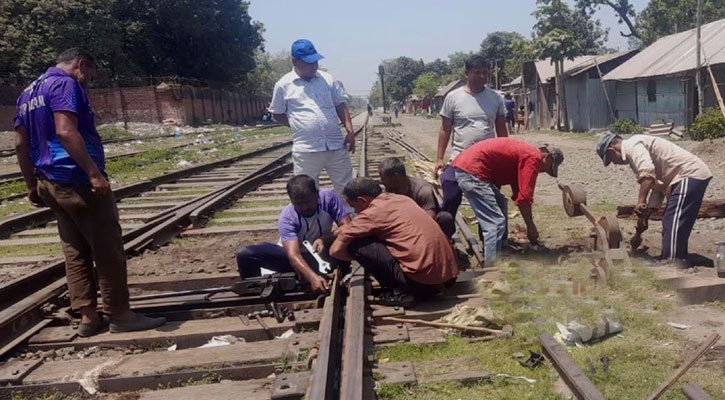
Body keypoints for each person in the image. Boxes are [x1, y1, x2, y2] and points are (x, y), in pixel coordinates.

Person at [13, 48, 166, 336]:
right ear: (81, 65)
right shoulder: (65, 83)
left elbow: (20, 144)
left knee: (75, 251)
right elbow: (65, 131)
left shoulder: (28, 91)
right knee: (107, 249)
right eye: (91, 76)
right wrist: (93, 174)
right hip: (76, 179)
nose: (90, 83)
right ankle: (120, 314)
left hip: (48, 181)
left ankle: (88, 316)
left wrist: (31, 185)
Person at [330, 178, 459, 305]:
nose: (356, 213)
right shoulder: (402, 199)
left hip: (422, 285)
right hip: (449, 277)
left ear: (362, 200)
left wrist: (359, 258)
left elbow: (335, 251)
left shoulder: (372, 213)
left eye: (354, 207)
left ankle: (401, 293)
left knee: (357, 244)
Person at [596, 133, 712, 263]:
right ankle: (675, 257)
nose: (615, 164)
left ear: (612, 150)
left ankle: (673, 262)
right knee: (674, 221)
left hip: (689, 173)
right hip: (686, 178)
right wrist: (645, 217)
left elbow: (647, 173)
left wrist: (641, 201)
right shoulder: (635, 152)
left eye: (611, 160)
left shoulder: (633, 145)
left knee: (672, 221)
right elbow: (657, 189)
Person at [452, 138, 564, 266]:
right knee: (495, 222)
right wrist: (531, 226)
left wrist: (529, 224)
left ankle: (502, 247)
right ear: (548, 158)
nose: (542, 172)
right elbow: (524, 199)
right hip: (473, 171)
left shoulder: (526, 153)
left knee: (501, 203)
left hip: (470, 167)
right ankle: (491, 267)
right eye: (547, 169)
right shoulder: (533, 158)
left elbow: (519, 193)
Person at [236, 175, 351, 293]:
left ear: (317, 194)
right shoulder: (287, 218)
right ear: (291, 200)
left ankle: (347, 273)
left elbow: (348, 227)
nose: (305, 207)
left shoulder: (328, 198)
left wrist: (324, 239)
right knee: (246, 254)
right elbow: (293, 255)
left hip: (323, 253)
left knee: (355, 237)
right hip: (298, 258)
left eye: (308, 201)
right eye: (299, 204)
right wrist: (312, 277)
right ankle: (254, 292)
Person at [269, 39, 355, 194]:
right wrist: (298, 125)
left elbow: (340, 104)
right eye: (308, 63)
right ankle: (314, 219)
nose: (313, 66)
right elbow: (277, 114)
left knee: (347, 190)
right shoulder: (283, 85)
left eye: (315, 62)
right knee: (306, 193)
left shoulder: (328, 79)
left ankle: (351, 218)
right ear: (295, 61)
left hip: (335, 146)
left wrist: (350, 130)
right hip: (306, 150)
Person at [434, 55, 507, 219]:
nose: (482, 77)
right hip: (459, 158)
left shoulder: (495, 97)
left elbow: (502, 130)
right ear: (467, 74)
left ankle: (490, 241)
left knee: (489, 202)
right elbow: (445, 130)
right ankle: (446, 232)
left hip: (487, 160)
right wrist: (440, 158)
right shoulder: (453, 97)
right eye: (477, 73)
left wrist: (504, 158)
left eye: (484, 73)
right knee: (450, 189)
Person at [378, 157, 455, 239]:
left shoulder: (422, 190)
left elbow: (428, 220)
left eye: (383, 178)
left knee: (445, 218)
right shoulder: (388, 190)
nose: (381, 181)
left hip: (424, 228)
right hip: (403, 226)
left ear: (396, 177)